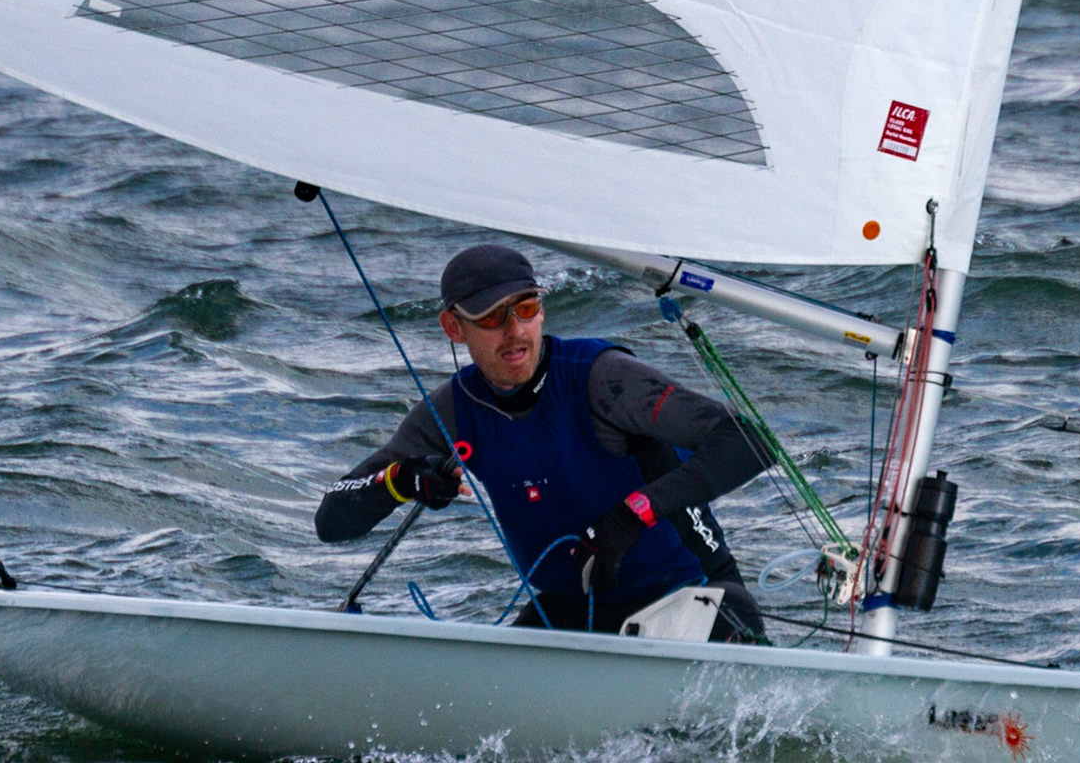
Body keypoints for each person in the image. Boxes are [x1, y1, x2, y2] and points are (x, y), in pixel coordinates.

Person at [316, 244, 770, 641]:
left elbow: (751, 441)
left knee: (730, 613)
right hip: (568, 613)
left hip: (688, 596)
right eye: (493, 317)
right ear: (454, 328)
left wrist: (634, 515)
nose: (515, 331)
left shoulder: (602, 379)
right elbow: (331, 522)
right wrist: (401, 481)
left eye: (527, 308)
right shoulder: (453, 411)